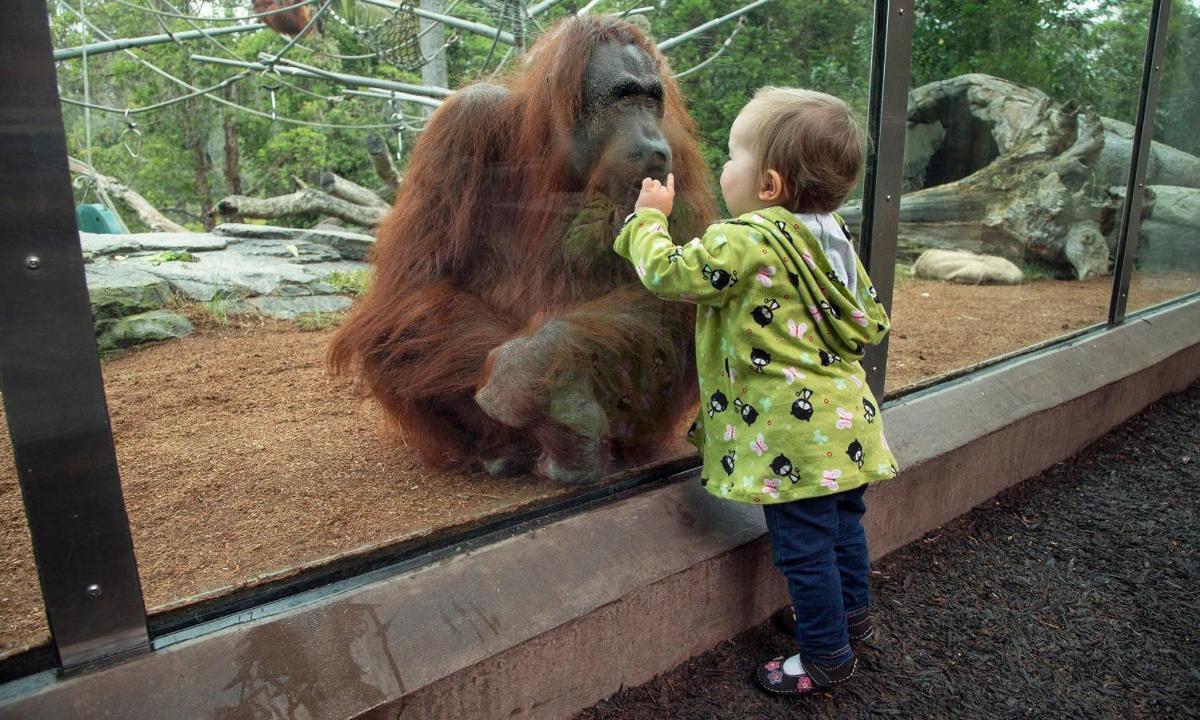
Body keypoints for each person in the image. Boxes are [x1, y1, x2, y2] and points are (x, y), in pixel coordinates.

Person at [613, 87, 899, 696]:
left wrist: (648, 221)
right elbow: (863, 317)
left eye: (732, 154)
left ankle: (826, 656)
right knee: (844, 526)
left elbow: (670, 273)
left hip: (793, 437)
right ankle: (851, 618)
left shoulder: (748, 238)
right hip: (846, 426)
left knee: (802, 548)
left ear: (768, 185)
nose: (723, 167)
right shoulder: (833, 236)